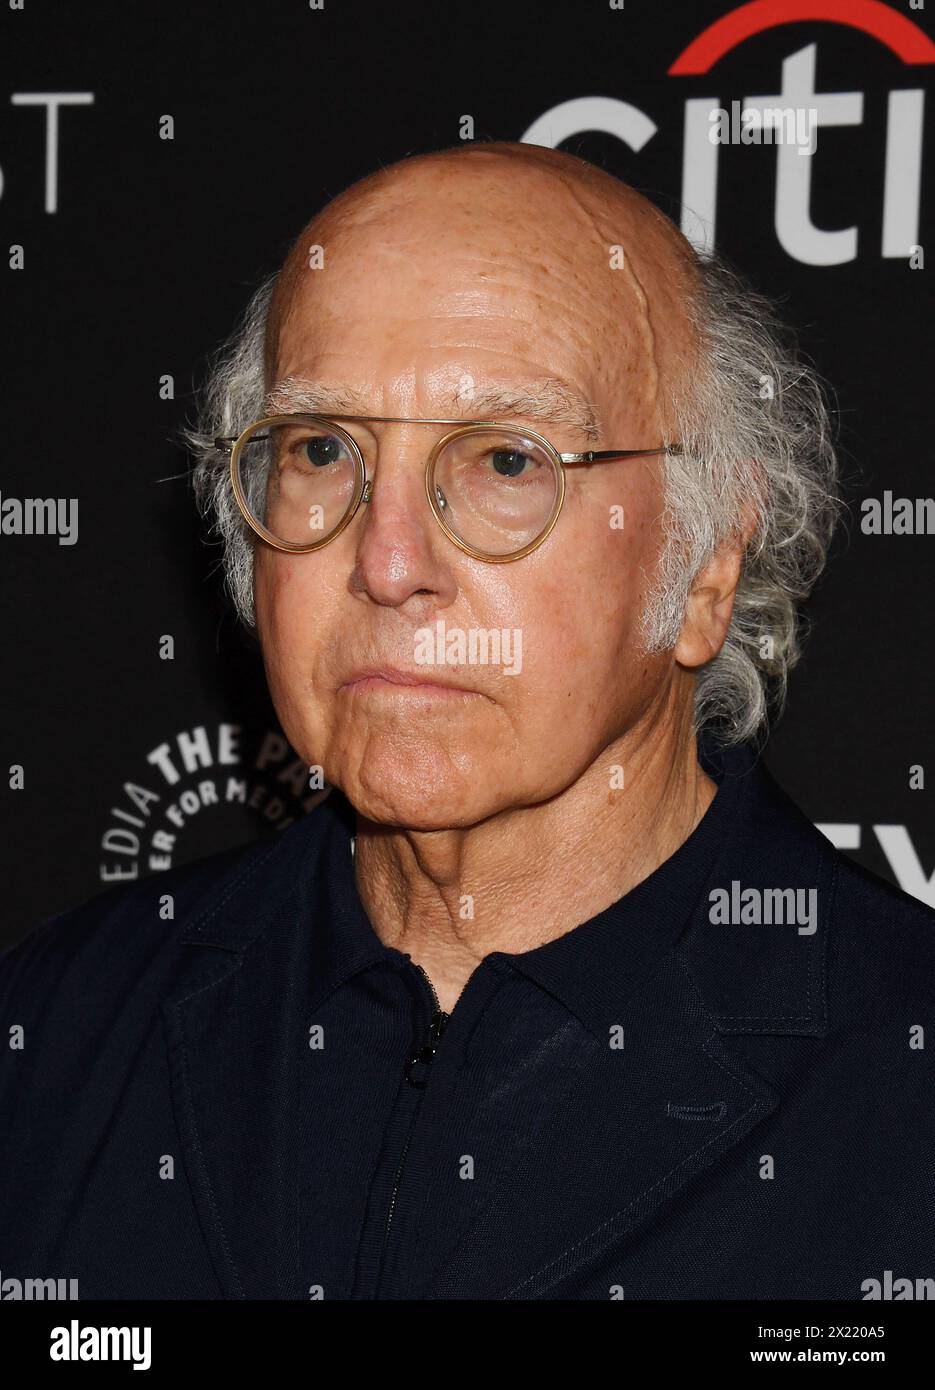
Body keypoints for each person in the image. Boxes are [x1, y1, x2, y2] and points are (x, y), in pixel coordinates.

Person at [2, 142, 933, 1301]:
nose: (386, 563)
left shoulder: (899, 1081)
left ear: (707, 563)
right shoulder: (64, 1029)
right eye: (322, 448)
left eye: (504, 459)